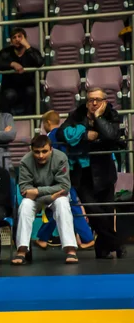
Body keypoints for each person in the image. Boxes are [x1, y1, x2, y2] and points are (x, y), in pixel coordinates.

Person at [55, 88, 125, 259]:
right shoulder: (78, 114)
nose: (94, 103)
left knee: (106, 213)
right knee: (94, 211)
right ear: (86, 102)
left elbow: (110, 135)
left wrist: (99, 118)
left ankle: (102, 250)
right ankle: (117, 244)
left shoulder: (111, 115)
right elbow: (60, 133)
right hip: (81, 174)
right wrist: (85, 135)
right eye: (91, 100)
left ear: (105, 102)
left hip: (104, 172)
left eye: (98, 100)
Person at [12, 135, 79, 265]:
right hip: (44, 196)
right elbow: (25, 190)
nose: (41, 155)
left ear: (51, 149)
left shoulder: (60, 158)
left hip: (55, 196)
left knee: (62, 203)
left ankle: (71, 250)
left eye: (44, 151)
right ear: (31, 150)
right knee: (25, 206)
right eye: (36, 152)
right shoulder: (25, 161)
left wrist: (37, 191)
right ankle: (21, 250)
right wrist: (49, 196)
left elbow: (64, 187)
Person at [35, 111, 95, 250]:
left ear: (47, 123)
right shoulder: (61, 134)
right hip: (65, 176)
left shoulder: (53, 135)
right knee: (55, 208)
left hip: (59, 178)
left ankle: (88, 238)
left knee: (72, 206)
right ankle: (43, 238)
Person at [0, 27, 44, 115]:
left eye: (20, 37)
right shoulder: (6, 52)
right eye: (14, 37)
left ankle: (32, 122)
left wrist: (28, 46)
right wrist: (11, 64)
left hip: (29, 86)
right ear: (11, 41)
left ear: (25, 39)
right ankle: (7, 123)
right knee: (8, 95)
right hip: (10, 88)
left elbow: (40, 62)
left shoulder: (32, 51)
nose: (17, 39)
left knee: (31, 92)